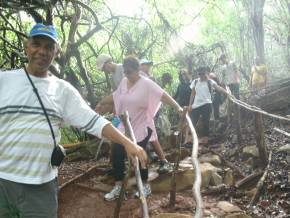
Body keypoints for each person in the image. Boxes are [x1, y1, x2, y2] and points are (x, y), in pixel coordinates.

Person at [0, 23, 147, 218]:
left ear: (57, 53)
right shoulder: (4, 81)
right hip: (3, 182)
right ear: (27, 46)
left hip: (40, 186)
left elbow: (93, 120)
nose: (42, 51)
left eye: (49, 47)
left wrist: (128, 143)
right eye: (37, 44)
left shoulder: (63, 90)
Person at [96, 56, 183, 201]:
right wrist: (101, 102)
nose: (127, 75)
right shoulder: (124, 82)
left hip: (142, 125)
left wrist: (178, 107)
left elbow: (163, 95)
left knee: (139, 156)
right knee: (117, 152)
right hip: (125, 126)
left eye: (130, 72)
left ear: (137, 71)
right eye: (125, 72)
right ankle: (118, 187)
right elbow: (116, 95)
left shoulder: (147, 84)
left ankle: (145, 185)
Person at [139, 59, 172, 174]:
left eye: (149, 65)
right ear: (140, 66)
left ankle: (162, 160)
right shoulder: (140, 77)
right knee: (148, 137)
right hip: (141, 112)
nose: (148, 67)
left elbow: (158, 94)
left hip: (147, 113)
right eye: (146, 65)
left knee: (152, 136)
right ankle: (155, 159)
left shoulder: (149, 77)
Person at [188, 66, 229, 145]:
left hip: (207, 104)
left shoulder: (210, 82)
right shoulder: (195, 81)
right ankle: (191, 139)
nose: (201, 75)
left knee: (206, 122)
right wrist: (190, 105)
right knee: (193, 121)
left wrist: (227, 92)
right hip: (196, 105)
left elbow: (218, 88)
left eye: (203, 74)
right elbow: (192, 94)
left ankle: (205, 139)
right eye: (199, 74)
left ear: (206, 73)